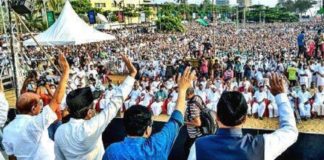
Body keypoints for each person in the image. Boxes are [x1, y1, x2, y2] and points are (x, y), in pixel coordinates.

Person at [188, 73, 298, 160]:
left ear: (217, 117)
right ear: (245, 119)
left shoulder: (199, 146)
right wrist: (280, 95)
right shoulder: (261, 146)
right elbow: (290, 131)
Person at [54, 54, 137, 160]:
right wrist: (132, 74)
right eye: (92, 107)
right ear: (89, 113)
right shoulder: (91, 127)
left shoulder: (60, 131)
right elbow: (115, 103)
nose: (94, 110)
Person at [103, 67, 196, 160]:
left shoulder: (112, 151)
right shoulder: (157, 146)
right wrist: (183, 90)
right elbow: (176, 118)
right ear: (147, 129)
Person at [2, 53, 69, 160]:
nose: (41, 107)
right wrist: (66, 72)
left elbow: (12, 157)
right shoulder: (34, 124)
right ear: (33, 109)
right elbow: (56, 100)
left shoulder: (7, 130)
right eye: (40, 104)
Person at [184, 87, 204, 158]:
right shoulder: (197, 97)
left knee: (188, 150)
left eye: (184, 94)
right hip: (198, 133)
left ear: (189, 94)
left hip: (195, 134)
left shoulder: (192, 105)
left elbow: (198, 123)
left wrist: (185, 122)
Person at [0, 80, 9, 159]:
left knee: (4, 143)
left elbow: (1, 89)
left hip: (2, 122)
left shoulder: (1, 95)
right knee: (3, 144)